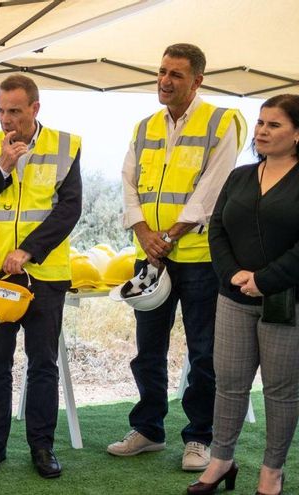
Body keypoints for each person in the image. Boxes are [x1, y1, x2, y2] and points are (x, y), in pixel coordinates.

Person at [107, 43, 247, 473]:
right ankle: (148, 429)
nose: (165, 81)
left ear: (198, 80)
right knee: (147, 349)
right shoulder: (145, 126)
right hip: (150, 256)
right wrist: (144, 233)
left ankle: (199, 437)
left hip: (200, 258)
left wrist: (166, 235)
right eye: (162, 71)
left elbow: (212, 188)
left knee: (204, 353)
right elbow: (129, 183)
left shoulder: (224, 121)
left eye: (177, 75)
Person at [0, 74, 82, 479]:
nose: (6, 119)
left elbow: (69, 209)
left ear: (35, 108)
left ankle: (41, 447)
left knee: (42, 363)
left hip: (43, 274)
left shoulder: (66, 146)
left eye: (14, 110)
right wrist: (1, 169)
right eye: (0, 110)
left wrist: (28, 250)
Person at [188, 94, 299, 495]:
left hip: (285, 301)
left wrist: (264, 280)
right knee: (229, 383)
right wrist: (234, 274)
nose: (263, 131)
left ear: (298, 133)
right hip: (233, 297)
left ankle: (272, 472)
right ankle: (221, 462)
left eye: (274, 125)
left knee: (280, 390)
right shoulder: (239, 176)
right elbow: (216, 228)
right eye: (261, 123)